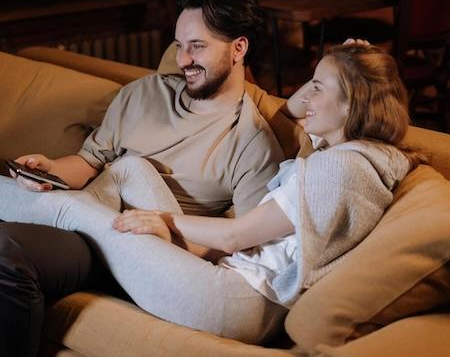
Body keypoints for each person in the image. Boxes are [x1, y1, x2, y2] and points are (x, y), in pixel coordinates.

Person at [0, 43, 422, 352]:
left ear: (351, 104)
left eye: (317, 87)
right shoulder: (348, 150)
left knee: (75, 209)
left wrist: (164, 222)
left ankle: (59, 219)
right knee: (132, 168)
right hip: (237, 283)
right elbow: (292, 110)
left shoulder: (342, 168)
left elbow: (239, 236)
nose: (305, 96)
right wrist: (346, 59)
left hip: (237, 302)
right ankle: (68, 223)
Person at [0, 0, 286, 357]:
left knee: (8, 254)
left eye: (197, 46)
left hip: (142, 253)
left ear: (238, 48)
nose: (183, 59)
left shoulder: (253, 144)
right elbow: (88, 164)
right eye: (179, 45)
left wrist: (171, 235)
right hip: (94, 209)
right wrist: (49, 169)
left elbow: (243, 248)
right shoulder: (144, 94)